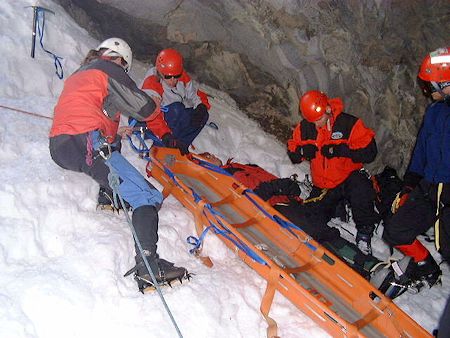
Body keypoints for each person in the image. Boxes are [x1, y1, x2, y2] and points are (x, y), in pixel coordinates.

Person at [49, 37, 188, 292]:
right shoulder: (109, 69)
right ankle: (148, 267)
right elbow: (144, 108)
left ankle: (109, 194)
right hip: (86, 141)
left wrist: (114, 134)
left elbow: (102, 122)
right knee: (147, 196)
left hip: (62, 147)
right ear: (119, 59)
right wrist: (154, 100)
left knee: (111, 154)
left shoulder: (81, 73)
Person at [198, 153, 407, 298]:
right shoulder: (222, 177)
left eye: (209, 155)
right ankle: (368, 270)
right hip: (276, 210)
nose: (211, 156)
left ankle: (371, 265)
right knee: (319, 234)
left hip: (293, 202)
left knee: (347, 187)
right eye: (206, 157)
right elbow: (245, 200)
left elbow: (266, 181)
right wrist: (275, 187)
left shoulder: (241, 166)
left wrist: (289, 187)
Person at [382, 47, 450, 292]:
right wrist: (410, 183)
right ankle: (426, 266)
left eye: (431, 85)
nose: (428, 90)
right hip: (429, 185)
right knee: (397, 229)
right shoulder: (434, 112)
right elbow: (421, 149)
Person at [286, 90, 380, 256]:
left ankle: (365, 233)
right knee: (308, 219)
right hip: (323, 187)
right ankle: (334, 216)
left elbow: (370, 152)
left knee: (361, 186)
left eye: (319, 119)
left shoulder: (348, 124)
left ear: (328, 110)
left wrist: (342, 150)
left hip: (347, 180)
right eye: (312, 121)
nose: (316, 124)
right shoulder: (306, 127)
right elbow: (293, 153)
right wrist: (302, 151)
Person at [138, 48, 210, 154]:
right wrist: (165, 135)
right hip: (150, 123)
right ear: (160, 73)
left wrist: (201, 106)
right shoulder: (152, 83)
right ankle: (161, 149)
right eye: (168, 77)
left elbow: (195, 94)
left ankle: (181, 147)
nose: (173, 80)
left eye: (176, 76)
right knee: (177, 109)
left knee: (202, 115)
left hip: (172, 118)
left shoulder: (180, 75)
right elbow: (151, 115)